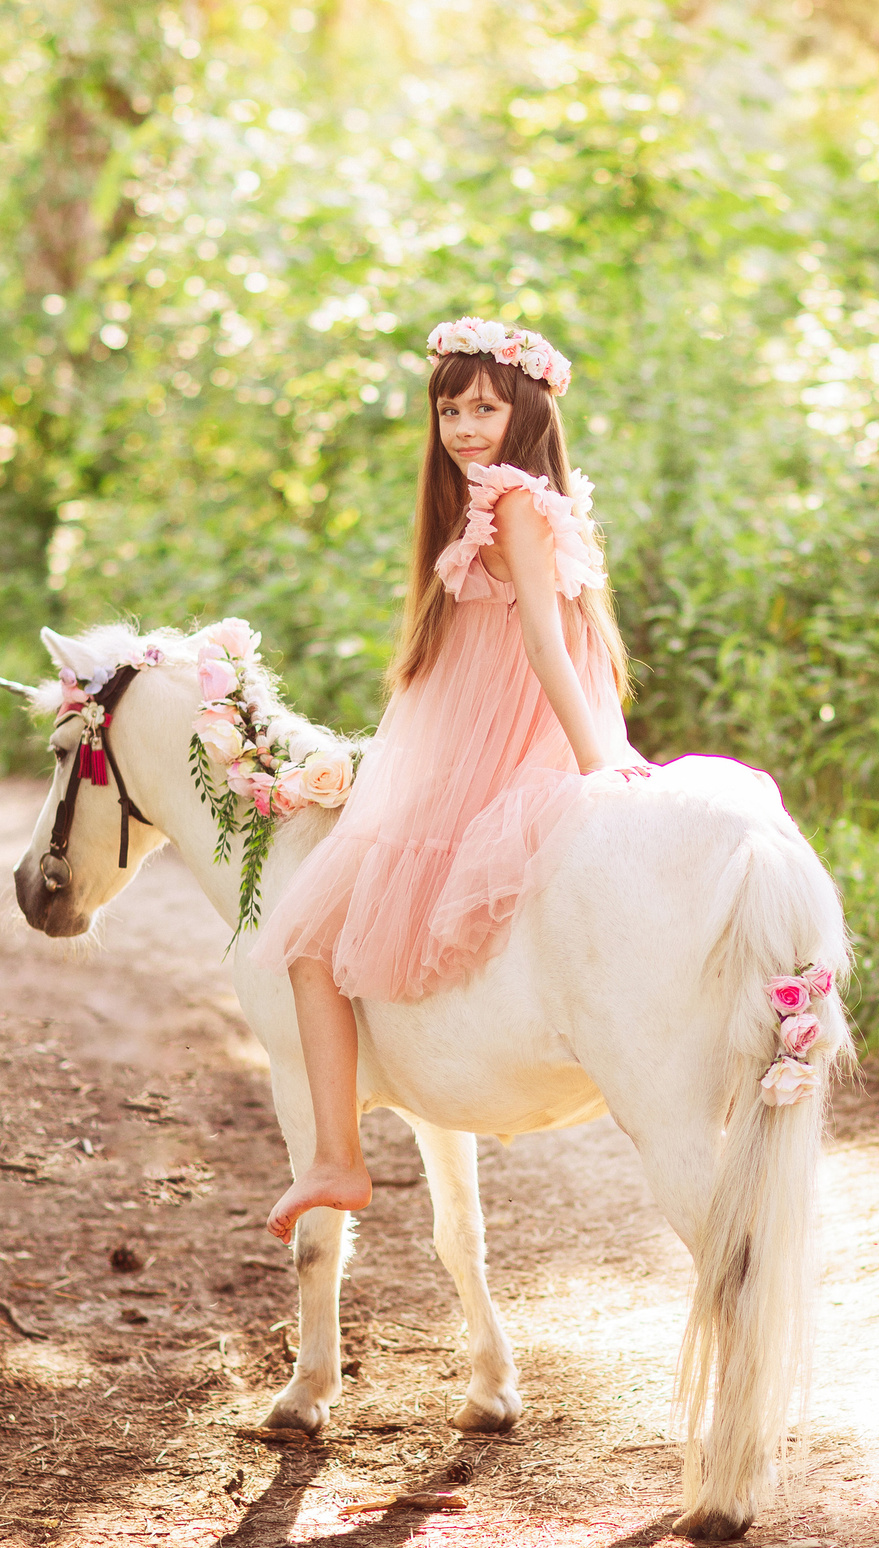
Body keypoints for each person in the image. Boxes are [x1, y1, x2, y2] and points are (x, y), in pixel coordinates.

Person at [255, 317, 649, 1242]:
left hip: (498, 747)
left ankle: (335, 1155)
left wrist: (598, 764)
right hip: (479, 736)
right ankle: (344, 1152)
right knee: (325, 938)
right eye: (449, 410)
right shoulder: (511, 499)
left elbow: (548, 647)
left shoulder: (512, 500)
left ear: (527, 413)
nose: (466, 427)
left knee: (309, 942)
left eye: (485, 408)